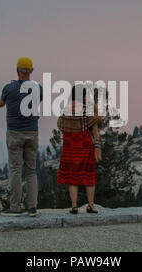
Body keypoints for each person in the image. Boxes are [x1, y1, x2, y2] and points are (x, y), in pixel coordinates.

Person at [0, 57, 42, 217]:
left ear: (17, 70)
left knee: (15, 170)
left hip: (14, 133)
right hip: (32, 132)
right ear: (31, 71)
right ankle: (32, 207)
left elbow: (0, 103)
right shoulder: (38, 88)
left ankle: (15, 207)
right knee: (31, 171)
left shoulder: (8, 88)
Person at [56, 85, 103, 214]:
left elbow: (59, 125)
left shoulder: (65, 110)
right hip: (85, 147)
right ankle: (91, 206)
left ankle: (74, 206)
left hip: (70, 148)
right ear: (83, 96)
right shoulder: (86, 110)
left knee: (72, 178)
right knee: (89, 177)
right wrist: (92, 104)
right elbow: (99, 118)